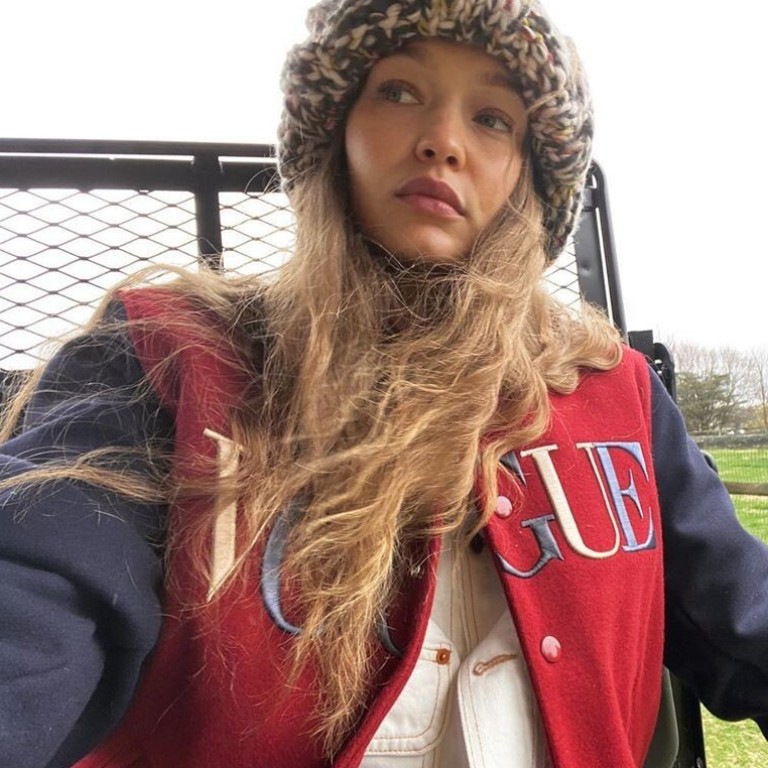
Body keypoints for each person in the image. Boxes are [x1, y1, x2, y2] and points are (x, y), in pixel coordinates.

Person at [2, 1, 768, 767]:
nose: (442, 141)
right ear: (336, 130)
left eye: (493, 119)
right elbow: (35, 604)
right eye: (399, 92)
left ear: (529, 176)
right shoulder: (165, 357)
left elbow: (744, 613)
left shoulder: (616, 393)